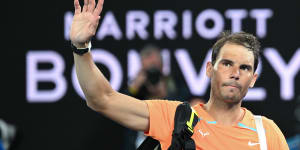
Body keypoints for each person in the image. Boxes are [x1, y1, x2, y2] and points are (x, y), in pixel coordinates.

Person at [69, 0, 289, 149]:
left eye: (245, 68)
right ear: (209, 69)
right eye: (227, 63)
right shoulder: (175, 118)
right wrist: (81, 48)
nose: (235, 73)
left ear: (253, 80)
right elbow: (102, 99)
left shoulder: (267, 133)